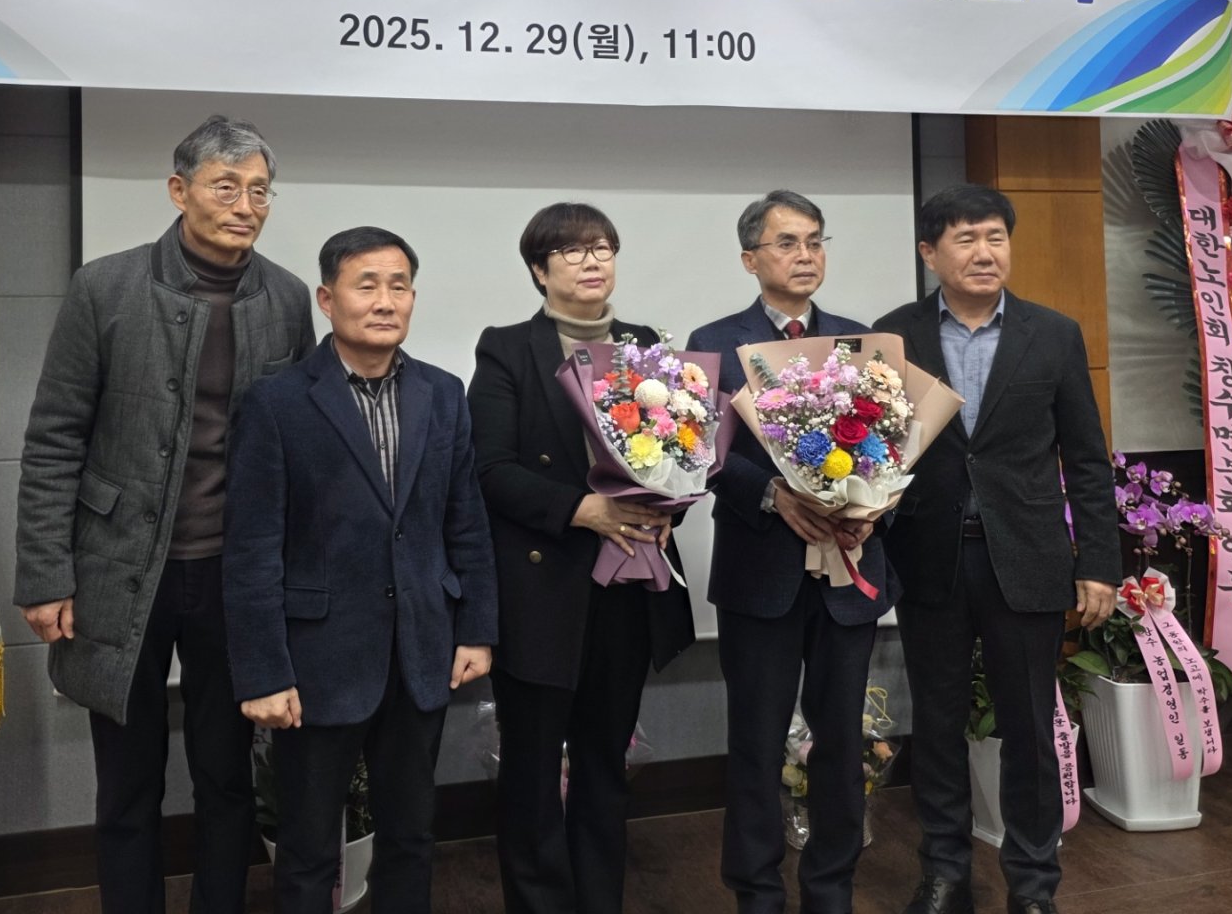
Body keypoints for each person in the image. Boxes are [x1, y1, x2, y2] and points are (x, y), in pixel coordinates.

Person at [14, 115, 317, 914]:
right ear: (179, 191)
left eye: (260, 191)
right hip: (118, 571)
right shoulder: (104, 288)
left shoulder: (286, 298)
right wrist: (45, 575)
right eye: (226, 187)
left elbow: (296, 444)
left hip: (232, 576)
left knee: (225, 775)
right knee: (127, 781)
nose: (245, 206)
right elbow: (53, 438)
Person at [225, 226, 498, 914]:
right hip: (318, 659)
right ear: (327, 299)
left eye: (398, 285)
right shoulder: (277, 402)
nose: (385, 301)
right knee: (308, 847)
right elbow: (252, 548)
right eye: (366, 285)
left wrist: (476, 628)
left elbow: (465, 519)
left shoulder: (442, 393)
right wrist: (263, 672)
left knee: (411, 837)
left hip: (421, 649)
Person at [874, 185, 1120, 914]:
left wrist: (1098, 562)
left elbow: (1086, 458)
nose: (984, 253)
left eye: (995, 237)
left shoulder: (1053, 333)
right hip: (930, 556)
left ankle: (1034, 884)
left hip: (1028, 557)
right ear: (929, 252)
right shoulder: (894, 336)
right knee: (937, 724)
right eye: (965, 239)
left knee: (1030, 729)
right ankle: (944, 873)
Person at [468, 202, 696, 914]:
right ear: (540, 271)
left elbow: (685, 453)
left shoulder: (646, 347)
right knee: (533, 772)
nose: (591, 261)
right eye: (570, 251)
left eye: (601, 247)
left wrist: (668, 508)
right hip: (542, 591)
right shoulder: (507, 349)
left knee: (604, 764)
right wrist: (581, 508)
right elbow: (489, 469)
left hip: (623, 588)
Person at [689, 190, 897, 914]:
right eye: (786, 243)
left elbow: (893, 446)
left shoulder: (860, 342)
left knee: (840, 743)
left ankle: (831, 891)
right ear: (751, 259)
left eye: (814, 241)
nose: (804, 255)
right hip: (760, 574)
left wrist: (873, 508)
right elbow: (704, 456)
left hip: (847, 572)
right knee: (755, 742)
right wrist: (773, 495)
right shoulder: (716, 342)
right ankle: (756, 893)